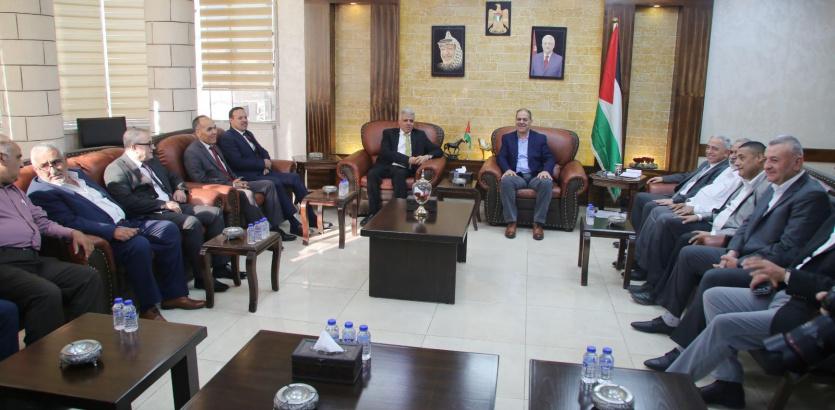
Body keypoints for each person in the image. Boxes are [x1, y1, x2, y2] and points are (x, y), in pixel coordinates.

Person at [631, 136, 831, 354]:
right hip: (740, 252)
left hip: (767, 267)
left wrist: (740, 261)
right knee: (689, 253)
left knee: (714, 276)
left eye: (774, 160)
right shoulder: (777, 185)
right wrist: (733, 250)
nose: (767, 166)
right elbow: (747, 224)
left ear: (797, 162)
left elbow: (788, 249)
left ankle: (682, 350)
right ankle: (670, 319)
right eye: (767, 160)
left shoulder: (810, 195)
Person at [664, 215, 835, 408]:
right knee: (714, 297)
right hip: (787, 292)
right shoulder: (831, 220)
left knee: (725, 326)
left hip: (812, 313)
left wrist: (786, 275)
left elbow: (828, 288)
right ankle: (728, 383)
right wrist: (773, 273)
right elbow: (801, 257)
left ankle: (667, 388)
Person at [28, 144, 205, 321]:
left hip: (127, 220)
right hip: (106, 235)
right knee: (139, 245)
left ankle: (173, 295)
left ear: (65, 160)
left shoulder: (77, 174)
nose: (53, 169)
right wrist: (112, 231)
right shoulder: (41, 193)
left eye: (56, 162)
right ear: (36, 169)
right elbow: (69, 222)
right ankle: (147, 308)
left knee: (168, 229)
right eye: (44, 166)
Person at [630, 141, 768, 303]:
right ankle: (647, 273)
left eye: (740, 157)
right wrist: (696, 212)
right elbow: (720, 205)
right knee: (659, 214)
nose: (735, 160)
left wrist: (703, 219)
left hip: (718, 227)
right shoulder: (741, 179)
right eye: (734, 154)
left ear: (760, 159)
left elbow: (745, 223)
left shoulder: (758, 185)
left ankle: (653, 284)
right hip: (707, 216)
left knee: (668, 223)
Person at [0, 136, 105, 345]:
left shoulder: (15, 191)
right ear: (2, 158)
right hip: (4, 263)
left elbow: (41, 221)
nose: (21, 164)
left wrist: (72, 232)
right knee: (46, 293)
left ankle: (84, 345)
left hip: (31, 259)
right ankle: (42, 359)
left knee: (87, 277)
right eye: (18, 157)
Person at [103, 128, 234, 293]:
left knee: (214, 213)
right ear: (135, 147)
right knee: (191, 223)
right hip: (151, 213)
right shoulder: (116, 169)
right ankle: (202, 277)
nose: (153, 147)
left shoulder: (151, 161)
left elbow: (173, 176)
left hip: (173, 205)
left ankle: (220, 266)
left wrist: (180, 188)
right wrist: (162, 205)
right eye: (149, 144)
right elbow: (127, 202)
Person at [184, 116, 296, 243]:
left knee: (268, 184)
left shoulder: (213, 146)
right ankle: (265, 233)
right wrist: (231, 184)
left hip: (234, 181)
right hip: (223, 188)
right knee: (247, 194)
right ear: (198, 132)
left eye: (214, 128)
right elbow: (200, 180)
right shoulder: (192, 152)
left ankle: (275, 227)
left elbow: (226, 168)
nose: (214, 132)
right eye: (209, 129)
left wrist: (237, 179)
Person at [219, 107, 330, 235]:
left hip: (263, 172)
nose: (244, 120)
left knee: (294, 177)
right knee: (276, 182)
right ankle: (294, 224)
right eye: (240, 118)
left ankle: (312, 218)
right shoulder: (228, 137)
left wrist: (266, 164)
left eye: (245, 117)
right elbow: (237, 162)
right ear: (231, 120)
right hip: (248, 176)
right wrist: (262, 164)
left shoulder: (248, 134)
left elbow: (263, 151)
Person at [362, 107, 443, 226]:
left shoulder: (420, 135)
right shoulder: (388, 133)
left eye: (411, 121)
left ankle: (399, 214)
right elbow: (385, 152)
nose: (409, 123)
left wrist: (427, 156)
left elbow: (438, 151)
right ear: (399, 122)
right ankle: (373, 213)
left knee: (399, 175)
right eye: (405, 120)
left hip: (404, 168)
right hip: (386, 164)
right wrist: (407, 159)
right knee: (372, 174)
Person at [630, 136, 731, 231]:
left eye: (714, 149)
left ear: (726, 153)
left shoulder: (723, 170)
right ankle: (635, 235)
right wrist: (663, 178)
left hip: (685, 200)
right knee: (640, 197)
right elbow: (687, 176)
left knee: (651, 206)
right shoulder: (706, 164)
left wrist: (675, 200)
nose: (709, 151)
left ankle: (640, 238)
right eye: (708, 147)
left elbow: (702, 191)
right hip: (676, 195)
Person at [497, 108, 555, 240]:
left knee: (547, 182)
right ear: (515, 121)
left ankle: (538, 223)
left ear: (530, 122)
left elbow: (550, 158)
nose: (521, 122)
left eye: (525, 119)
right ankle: (511, 222)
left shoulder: (540, 138)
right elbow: (501, 157)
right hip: (517, 176)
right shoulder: (507, 138)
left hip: (535, 176)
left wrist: (546, 170)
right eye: (519, 119)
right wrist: (507, 169)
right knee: (506, 181)